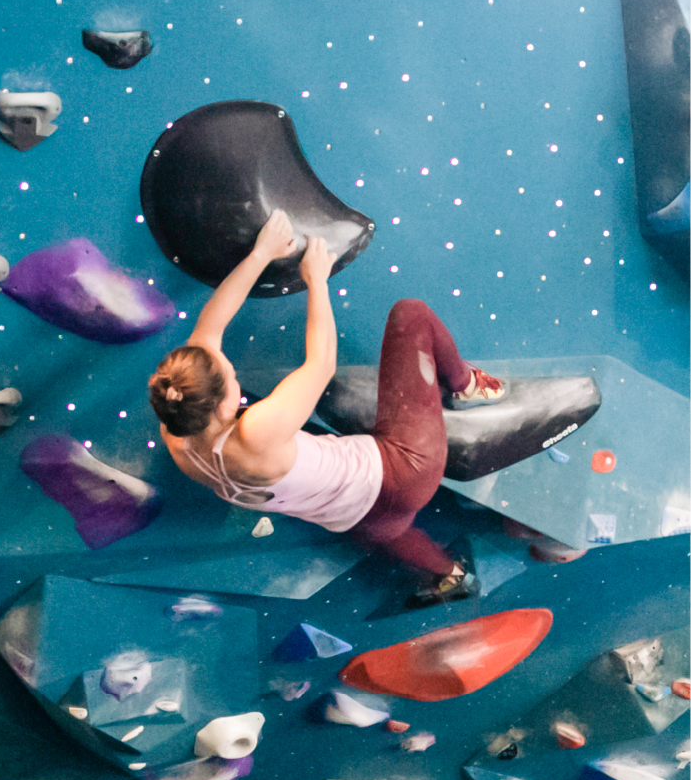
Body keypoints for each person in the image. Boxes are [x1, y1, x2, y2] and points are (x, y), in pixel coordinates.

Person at [149, 209, 506, 605]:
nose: (231, 370)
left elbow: (209, 328)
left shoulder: (178, 434)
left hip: (352, 518)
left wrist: (260, 254)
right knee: (411, 314)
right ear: (218, 409)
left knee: (387, 528)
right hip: (403, 472)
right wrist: (316, 280)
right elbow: (320, 364)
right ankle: (467, 384)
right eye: (230, 379)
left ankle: (450, 575)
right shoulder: (258, 432)